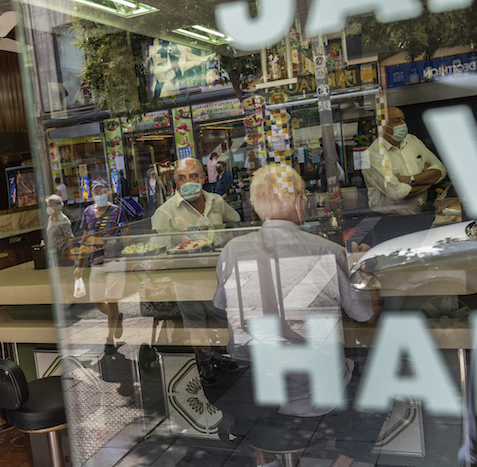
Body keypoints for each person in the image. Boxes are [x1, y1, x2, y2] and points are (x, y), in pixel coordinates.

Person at [211, 164, 383, 466]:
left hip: (253, 401)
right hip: (317, 402)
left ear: (255, 207)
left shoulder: (231, 250)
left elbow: (225, 306)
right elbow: (365, 315)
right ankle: (342, 462)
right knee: (382, 376)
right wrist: (365, 273)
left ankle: (266, 458)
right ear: (299, 201)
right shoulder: (327, 251)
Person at [152, 158, 241, 386]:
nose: (189, 181)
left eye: (193, 176)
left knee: (220, 319)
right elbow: (157, 250)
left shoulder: (216, 203)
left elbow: (235, 222)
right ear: (175, 182)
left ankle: (218, 355)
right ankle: (205, 363)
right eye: (182, 177)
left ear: (203, 178)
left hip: (218, 277)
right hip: (187, 279)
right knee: (196, 325)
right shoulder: (166, 212)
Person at [361, 106, 446, 215]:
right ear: (382, 126)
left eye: (403, 120)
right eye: (396, 121)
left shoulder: (412, 140)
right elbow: (399, 193)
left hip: (421, 213)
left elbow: (441, 170)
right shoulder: (372, 155)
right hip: (392, 221)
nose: (403, 124)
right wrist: (428, 181)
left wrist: (411, 180)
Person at [74, 180, 127, 353]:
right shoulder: (88, 212)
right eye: (95, 192)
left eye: (101, 191)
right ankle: (116, 317)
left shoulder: (117, 211)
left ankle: (109, 339)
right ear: (92, 194)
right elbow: (84, 239)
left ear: (108, 192)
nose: (98, 194)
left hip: (115, 261)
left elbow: (127, 235)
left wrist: (131, 258)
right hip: (96, 262)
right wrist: (79, 265)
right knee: (97, 300)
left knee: (112, 299)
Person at [45, 194, 73, 266]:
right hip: (52, 253)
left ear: (57, 207)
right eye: (48, 206)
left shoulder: (63, 219)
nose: (48, 208)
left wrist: (70, 253)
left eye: (50, 206)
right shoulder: (50, 219)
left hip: (62, 253)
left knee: (62, 274)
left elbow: (69, 237)